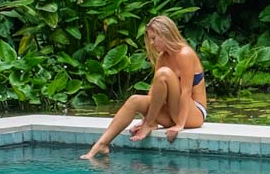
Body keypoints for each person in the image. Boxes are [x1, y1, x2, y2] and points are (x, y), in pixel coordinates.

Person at [80, 15, 207, 160]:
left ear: (165, 34)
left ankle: (150, 123)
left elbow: (186, 91)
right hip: (172, 112)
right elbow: (154, 92)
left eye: (154, 38)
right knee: (134, 100)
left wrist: (179, 125)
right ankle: (101, 145)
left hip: (193, 114)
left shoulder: (185, 54)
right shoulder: (162, 57)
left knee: (164, 73)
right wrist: (146, 119)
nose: (152, 43)